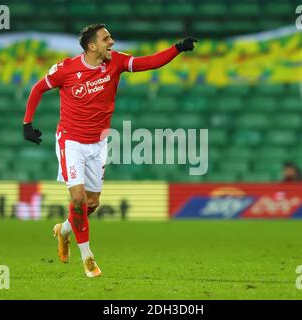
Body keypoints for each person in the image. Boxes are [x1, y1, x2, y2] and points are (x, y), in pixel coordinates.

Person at [22, 23, 197, 278]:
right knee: (79, 199)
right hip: (71, 142)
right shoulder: (66, 69)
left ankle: (64, 231)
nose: (112, 42)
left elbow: (148, 63)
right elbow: (38, 88)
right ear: (92, 46)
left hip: (98, 143)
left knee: (91, 204)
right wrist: (27, 123)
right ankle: (88, 258)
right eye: (106, 39)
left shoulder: (115, 62)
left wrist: (177, 49)